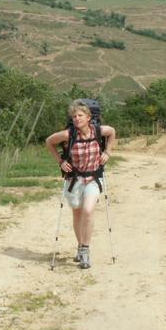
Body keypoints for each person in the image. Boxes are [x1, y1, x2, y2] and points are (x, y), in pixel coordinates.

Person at [45, 99, 116, 269]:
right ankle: (80, 245)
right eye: (74, 116)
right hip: (74, 180)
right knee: (77, 214)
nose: (77, 118)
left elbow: (112, 132)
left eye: (80, 115)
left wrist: (108, 151)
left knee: (88, 210)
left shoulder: (99, 131)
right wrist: (60, 161)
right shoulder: (68, 135)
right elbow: (49, 141)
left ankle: (85, 250)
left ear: (88, 117)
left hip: (93, 178)